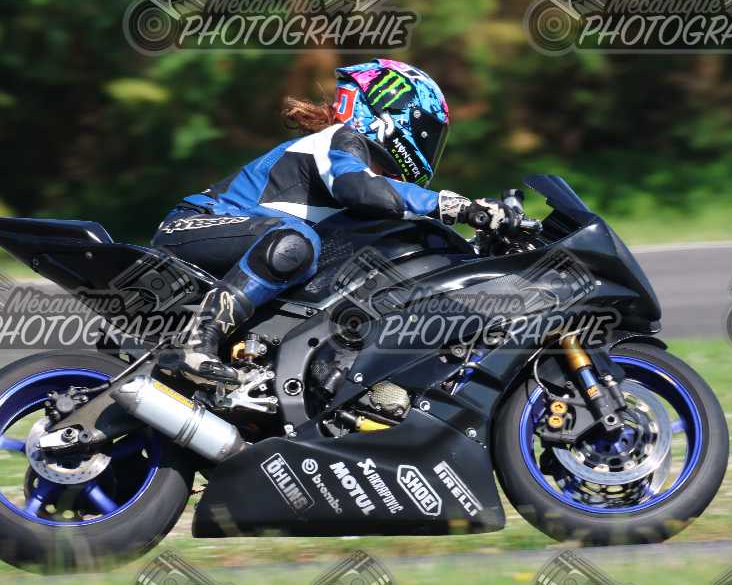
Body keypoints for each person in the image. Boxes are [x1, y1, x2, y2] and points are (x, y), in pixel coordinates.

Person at [151, 58, 515, 382]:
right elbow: (360, 189)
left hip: (241, 244)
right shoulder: (340, 141)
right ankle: (196, 342)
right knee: (295, 242)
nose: (429, 145)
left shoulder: (366, 178)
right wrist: (455, 206)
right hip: (194, 225)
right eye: (427, 132)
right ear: (391, 113)